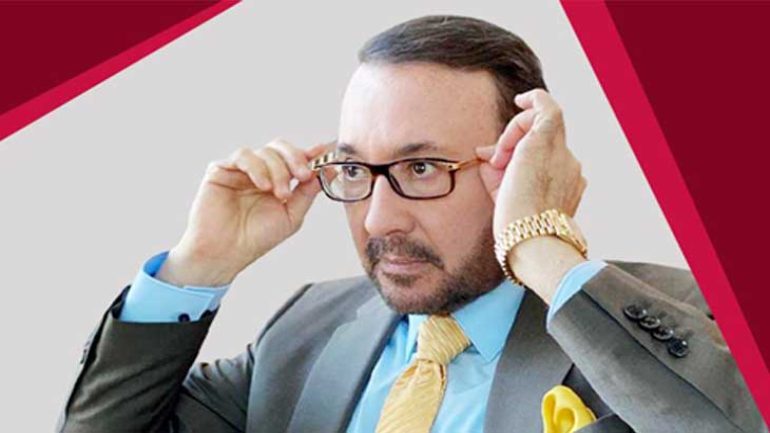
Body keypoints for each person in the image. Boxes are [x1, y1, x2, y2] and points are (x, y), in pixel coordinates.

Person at [57, 15, 766, 433]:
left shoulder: (665, 318)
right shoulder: (306, 329)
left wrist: (541, 242)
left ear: (519, 162)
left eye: (422, 167)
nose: (379, 217)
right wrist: (199, 266)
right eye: (355, 169)